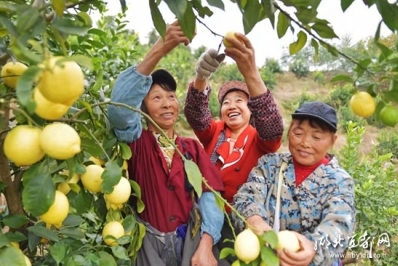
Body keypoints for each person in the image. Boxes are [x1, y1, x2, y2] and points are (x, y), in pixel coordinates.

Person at [107, 21, 227, 266]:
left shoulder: (190, 149)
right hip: (148, 247)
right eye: (156, 97)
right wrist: (161, 48)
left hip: (188, 244)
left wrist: (206, 244)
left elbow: (210, 196)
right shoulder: (136, 141)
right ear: (143, 108)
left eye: (171, 97)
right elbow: (118, 112)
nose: (166, 103)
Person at [183, 32, 284, 254]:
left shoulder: (259, 139)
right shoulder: (215, 130)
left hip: (243, 222)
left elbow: (273, 126)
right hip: (204, 215)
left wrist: (251, 73)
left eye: (240, 101)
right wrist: (202, 77)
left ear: (252, 109)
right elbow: (196, 114)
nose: (232, 105)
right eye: (226, 102)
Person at [232, 101, 356, 266]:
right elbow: (247, 196)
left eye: (316, 137)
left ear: (332, 141)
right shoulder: (270, 165)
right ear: (289, 131)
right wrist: (255, 220)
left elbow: (339, 225)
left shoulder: (339, 181)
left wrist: (313, 248)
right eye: (298, 133)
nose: (305, 142)